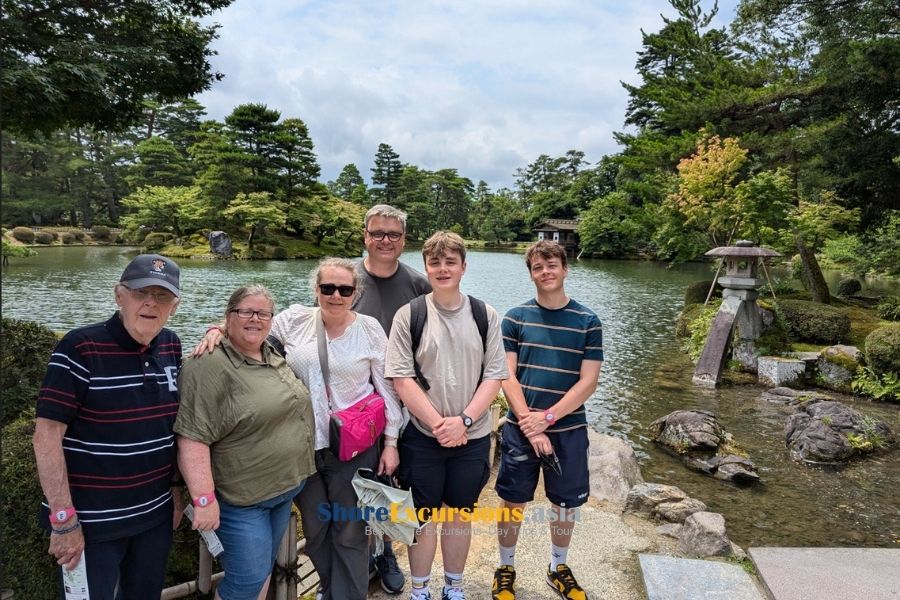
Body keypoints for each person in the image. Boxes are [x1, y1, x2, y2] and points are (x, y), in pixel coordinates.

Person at [192, 258, 404, 600]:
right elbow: (251, 331)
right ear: (316, 290)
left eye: (345, 289)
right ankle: (331, 589)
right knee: (317, 529)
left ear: (356, 293)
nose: (336, 295)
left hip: (354, 447)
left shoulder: (369, 329)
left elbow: (387, 388)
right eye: (327, 288)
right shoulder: (294, 320)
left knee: (350, 530)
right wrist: (218, 329)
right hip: (302, 448)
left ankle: (349, 595)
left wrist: (391, 441)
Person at [32, 254, 185, 600]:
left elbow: (170, 428)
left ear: (174, 306)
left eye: (162, 296)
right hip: (90, 524)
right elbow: (46, 437)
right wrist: (63, 519)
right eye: (140, 292)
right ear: (119, 295)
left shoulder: (172, 345)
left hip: (155, 518)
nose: (150, 303)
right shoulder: (79, 347)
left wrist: (175, 490)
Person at [385, 231, 508, 600]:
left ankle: (453, 586)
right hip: (423, 436)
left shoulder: (485, 315)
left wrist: (464, 421)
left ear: (463, 267)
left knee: (458, 515)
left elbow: (495, 376)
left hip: (471, 437)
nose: (442, 269)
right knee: (422, 519)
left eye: (450, 262)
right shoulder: (411, 315)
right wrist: (440, 425)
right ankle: (419, 590)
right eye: (435, 262)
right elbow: (401, 379)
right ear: (426, 267)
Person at [175, 284, 316, 600]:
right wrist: (203, 499)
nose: (255, 319)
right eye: (246, 312)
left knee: (262, 570)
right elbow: (192, 436)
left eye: (263, 313)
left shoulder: (272, 351)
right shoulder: (207, 364)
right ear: (229, 316)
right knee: (247, 579)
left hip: (283, 490)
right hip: (242, 499)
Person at [490, 241, 603, 600]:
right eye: (538, 267)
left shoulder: (587, 321)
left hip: (568, 429)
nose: (545, 272)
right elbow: (507, 376)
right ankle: (506, 566)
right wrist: (529, 423)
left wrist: (549, 418)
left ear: (565, 269)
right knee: (512, 501)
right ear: (531, 274)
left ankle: (558, 567)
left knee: (565, 503)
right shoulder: (515, 318)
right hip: (521, 429)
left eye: (551, 265)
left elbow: (588, 382)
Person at [354, 203, 431, 595]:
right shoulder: (344, 281)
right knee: (360, 481)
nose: (385, 241)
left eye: (394, 235)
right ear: (365, 236)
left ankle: (386, 550)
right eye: (378, 233)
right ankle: (360, 555)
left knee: (394, 480)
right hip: (354, 403)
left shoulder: (419, 284)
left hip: (404, 399)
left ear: (404, 240)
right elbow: (304, 325)